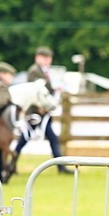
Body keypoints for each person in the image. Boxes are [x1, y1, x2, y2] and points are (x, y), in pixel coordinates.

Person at [24, 46, 71, 174]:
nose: (47, 60)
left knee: (52, 139)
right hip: (36, 112)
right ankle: (8, 164)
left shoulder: (45, 71)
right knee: (24, 138)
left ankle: (60, 167)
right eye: (45, 57)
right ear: (37, 57)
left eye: (49, 58)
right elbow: (34, 91)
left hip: (44, 111)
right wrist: (41, 107)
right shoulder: (34, 71)